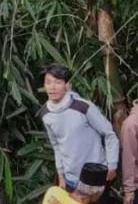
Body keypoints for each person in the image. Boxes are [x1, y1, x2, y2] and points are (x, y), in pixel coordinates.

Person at [38, 63, 119, 192]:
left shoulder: (83, 106)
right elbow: (56, 146)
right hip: (71, 180)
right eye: (48, 82)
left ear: (67, 85)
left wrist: (112, 165)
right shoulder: (45, 114)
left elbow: (109, 133)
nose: (52, 87)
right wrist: (61, 176)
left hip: (96, 175)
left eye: (58, 82)